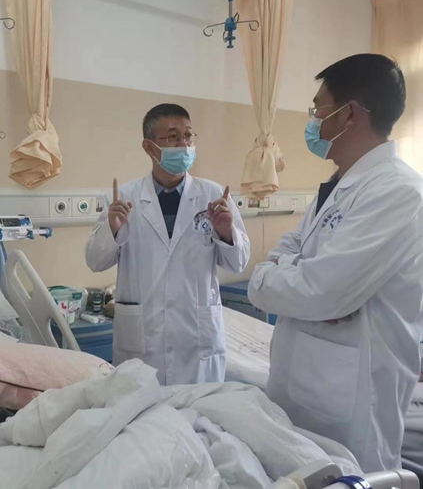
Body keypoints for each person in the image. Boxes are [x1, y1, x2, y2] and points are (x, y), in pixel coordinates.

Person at [248, 54, 423, 472]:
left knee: (351, 476)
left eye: (318, 109)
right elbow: (290, 256)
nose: (313, 121)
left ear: (350, 115)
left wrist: (274, 280)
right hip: (304, 388)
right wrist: (290, 277)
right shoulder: (339, 185)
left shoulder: (398, 191)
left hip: (351, 403)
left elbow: (320, 292)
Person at [86, 104, 250, 385]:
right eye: (173, 137)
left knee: (199, 409)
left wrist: (226, 232)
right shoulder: (124, 198)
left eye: (188, 135)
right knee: (142, 408)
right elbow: (94, 261)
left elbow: (239, 262)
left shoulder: (212, 195)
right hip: (143, 341)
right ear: (149, 147)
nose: (184, 144)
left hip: (197, 340)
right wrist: (111, 229)